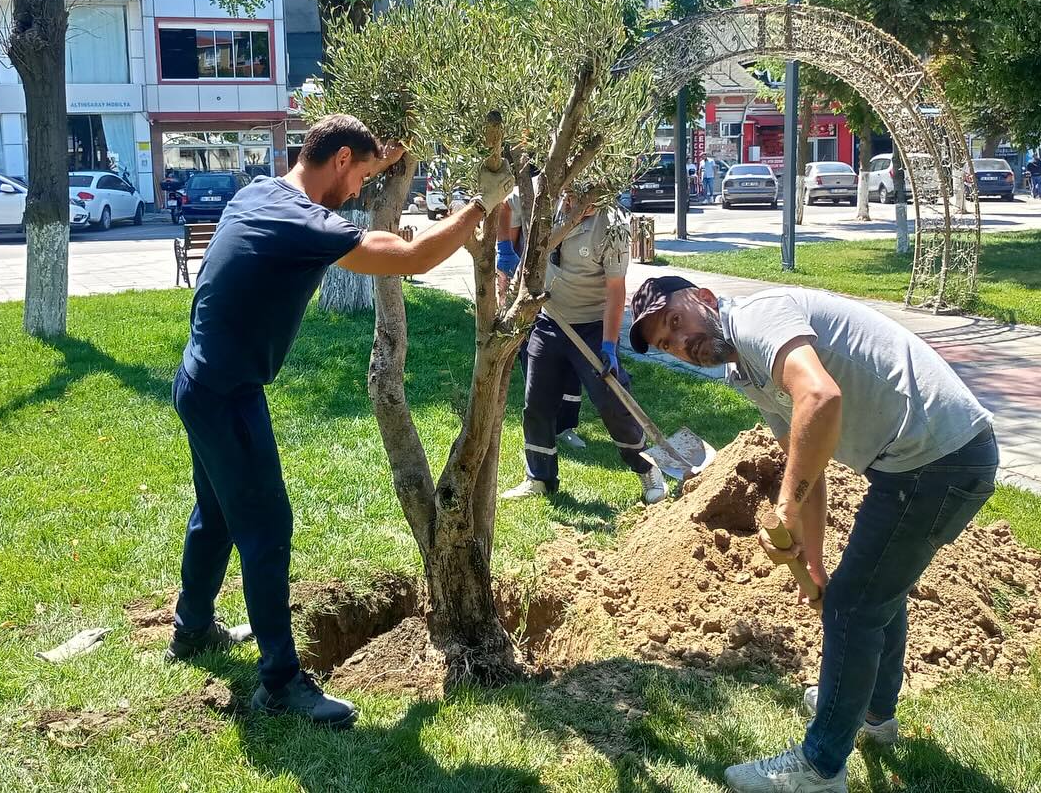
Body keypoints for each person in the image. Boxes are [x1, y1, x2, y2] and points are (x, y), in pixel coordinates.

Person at [170, 114, 515, 729]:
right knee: (266, 527)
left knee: (217, 511)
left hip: (198, 378)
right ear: (338, 161)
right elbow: (409, 259)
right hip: (228, 392)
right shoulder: (305, 223)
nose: (357, 193)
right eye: (357, 178)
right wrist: (477, 209)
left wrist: (379, 159)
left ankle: (191, 628)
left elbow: (345, 173)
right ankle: (279, 682)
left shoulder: (259, 192)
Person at [628, 275, 997, 793]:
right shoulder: (748, 371)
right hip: (917, 464)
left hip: (940, 460)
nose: (680, 342)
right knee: (871, 593)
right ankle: (873, 713)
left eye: (675, 321)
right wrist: (816, 561)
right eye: (667, 344)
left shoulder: (758, 318)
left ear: (705, 299)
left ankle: (821, 766)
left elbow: (820, 398)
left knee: (855, 605)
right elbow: (810, 463)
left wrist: (783, 509)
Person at [501, 192, 668, 504]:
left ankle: (648, 470)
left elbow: (616, 291)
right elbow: (506, 205)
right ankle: (539, 478)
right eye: (577, 193)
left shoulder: (613, 224)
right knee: (536, 403)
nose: (584, 202)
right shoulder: (542, 198)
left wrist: (608, 343)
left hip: (593, 324)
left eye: (592, 195)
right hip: (549, 318)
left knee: (612, 401)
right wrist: (504, 253)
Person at [497, 190, 584, 448]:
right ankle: (541, 426)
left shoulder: (582, 193)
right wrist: (504, 249)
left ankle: (565, 426)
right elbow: (505, 208)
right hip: (533, 290)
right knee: (535, 359)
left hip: (568, 291)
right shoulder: (532, 188)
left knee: (571, 364)